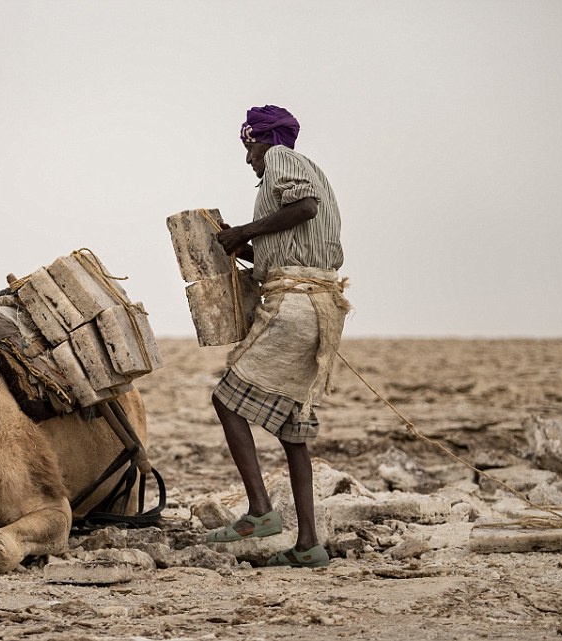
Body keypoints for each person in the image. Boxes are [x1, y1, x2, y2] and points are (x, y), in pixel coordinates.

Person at [206, 104, 350, 568]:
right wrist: (243, 245)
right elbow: (295, 234)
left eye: (248, 146)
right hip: (319, 306)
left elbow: (303, 206)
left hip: (296, 303)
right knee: (293, 432)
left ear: (263, 138)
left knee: (227, 400)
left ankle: (261, 511)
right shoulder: (309, 170)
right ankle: (309, 544)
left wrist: (246, 229)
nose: (248, 158)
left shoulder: (282, 161)